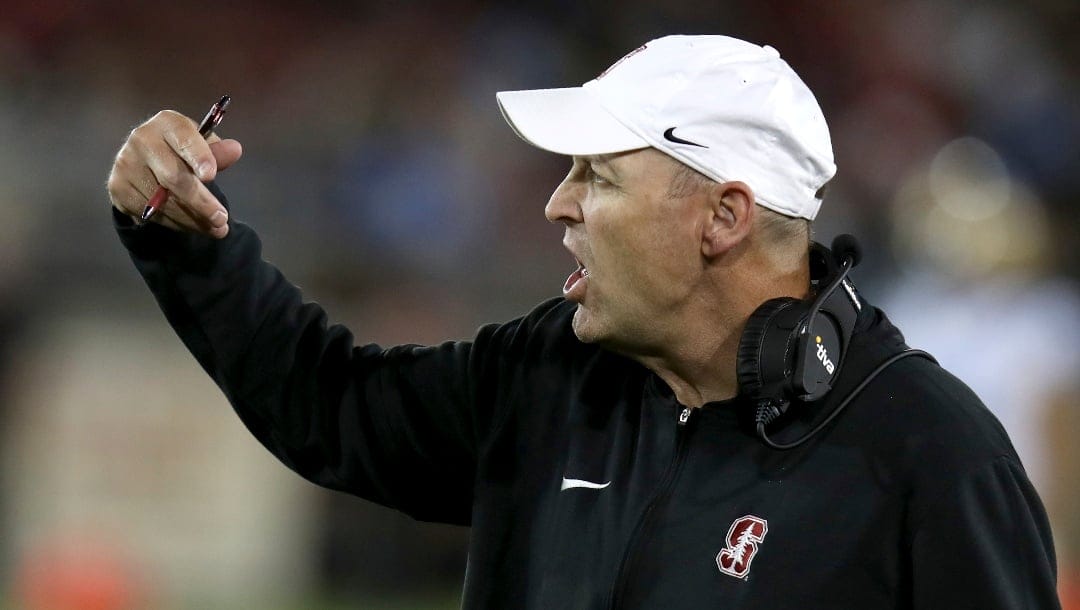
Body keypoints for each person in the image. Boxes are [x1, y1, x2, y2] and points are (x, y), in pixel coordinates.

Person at [106, 35, 1060, 609]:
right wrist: (190, 241)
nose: (557, 206)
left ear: (722, 218)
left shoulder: (929, 452)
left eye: (596, 176)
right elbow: (328, 404)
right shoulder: (546, 375)